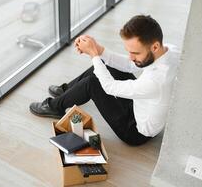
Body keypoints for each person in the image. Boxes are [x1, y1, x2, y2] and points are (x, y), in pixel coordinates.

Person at [29, 15, 180, 146]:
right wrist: (98, 49)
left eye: (135, 53)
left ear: (155, 47)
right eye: (129, 52)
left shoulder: (156, 81)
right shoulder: (169, 50)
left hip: (135, 131)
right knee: (106, 67)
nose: (131, 57)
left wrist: (93, 55)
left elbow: (110, 87)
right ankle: (67, 91)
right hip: (143, 105)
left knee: (93, 83)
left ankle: (55, 107)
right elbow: (130, 65)